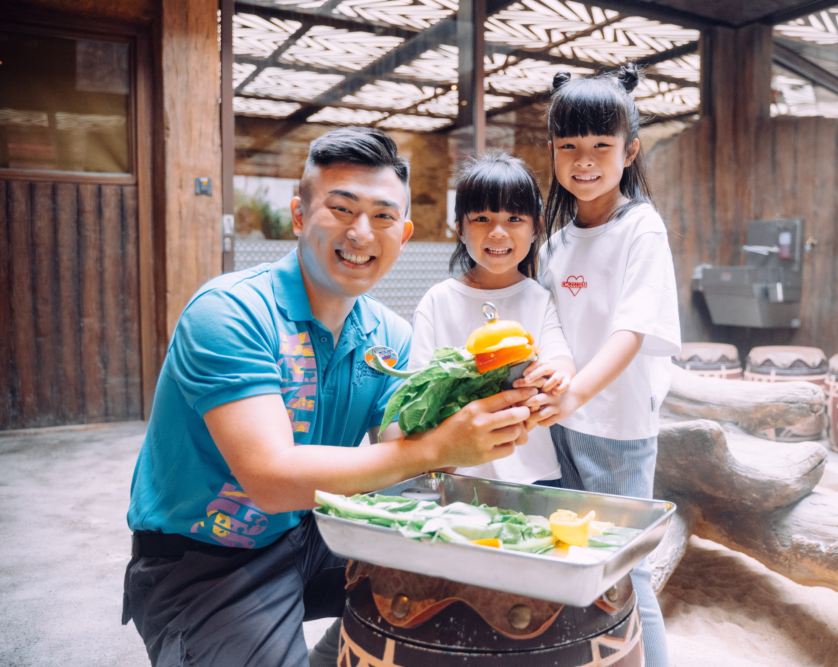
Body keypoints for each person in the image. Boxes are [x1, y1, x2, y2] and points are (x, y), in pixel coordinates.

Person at [122, 127, 537, 667]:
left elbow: (399, 438)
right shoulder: (229, 313)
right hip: (206, 559)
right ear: (299, 216)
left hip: (316, 528)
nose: (362, 233)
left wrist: (493, 398)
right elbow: (270, 479)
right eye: (342, 209)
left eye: (383, 216)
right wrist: (438, 450)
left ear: (404, 233)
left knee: (469, 577)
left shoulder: (389, 337)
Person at [527, 65, 682, 666]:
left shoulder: (641, 228)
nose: (583, 160)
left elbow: (630, 332)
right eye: (569, 146)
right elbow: (553, 329)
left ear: (630, 150)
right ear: (553, 151)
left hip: (618, 429)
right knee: (571, 555)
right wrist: (558, 393)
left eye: (600, 146)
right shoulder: (559, 239)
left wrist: (575, 393)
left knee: (627, 570)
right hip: (564, 423)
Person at [410, 154, 575, 485]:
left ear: (535, 228)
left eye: (514, 218)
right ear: (459, 228)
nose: (498, 233)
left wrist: (557, 374)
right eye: (482, 218)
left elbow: (560, 358)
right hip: (456, 472)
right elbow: (417, 388)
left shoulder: (540, 299)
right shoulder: (437, 301)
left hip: (534, 475)